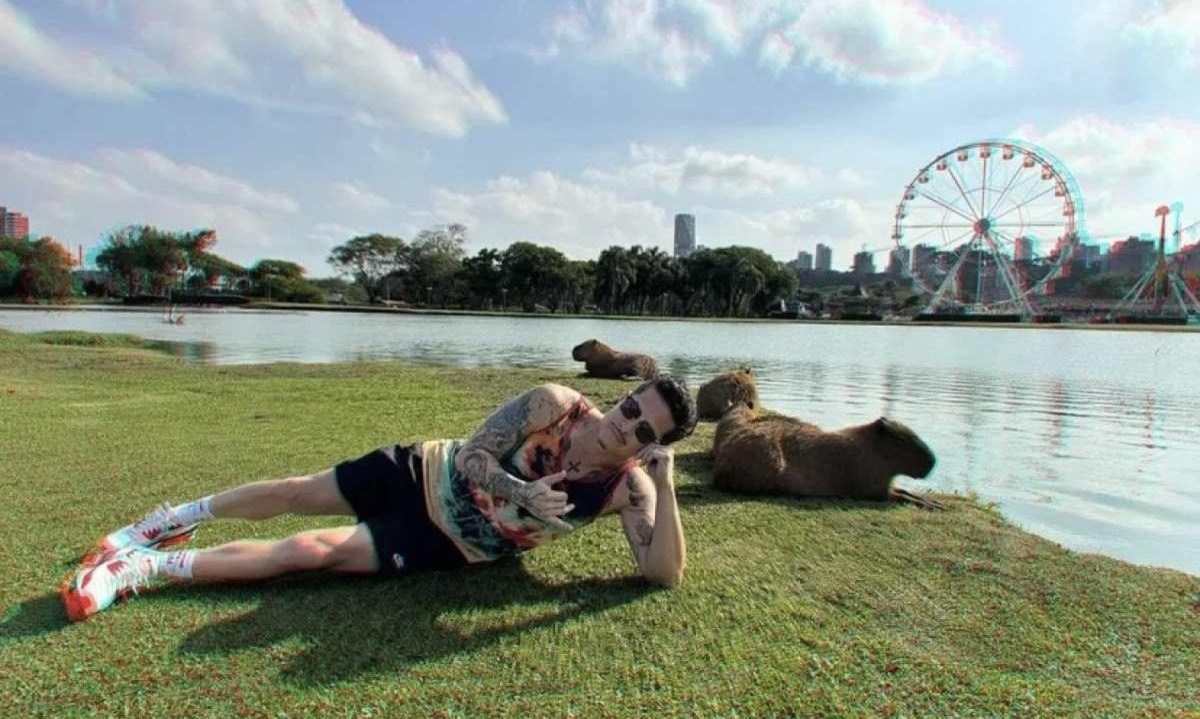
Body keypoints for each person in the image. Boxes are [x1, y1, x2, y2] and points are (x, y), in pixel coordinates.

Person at [62, 375, 698, 621]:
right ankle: (174, 521)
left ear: (653, 445)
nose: (626, 425)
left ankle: (142, 569)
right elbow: (477, 454)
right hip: (421, 469)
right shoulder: (554, 404)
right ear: (625, 394)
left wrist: (665, 486)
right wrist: (522, 490)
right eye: (631, 407)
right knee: (296, 492)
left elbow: (662, 574)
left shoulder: (628, 488)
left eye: (645, 430)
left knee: (310, 550)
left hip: (442, 541)